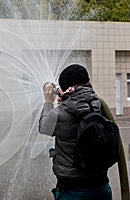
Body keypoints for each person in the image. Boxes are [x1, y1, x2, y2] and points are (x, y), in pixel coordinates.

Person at [39, 64, 113, 200]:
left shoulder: (59, 114)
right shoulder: (99, 105)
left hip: (73, 191)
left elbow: (44, 127)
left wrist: (48, 102)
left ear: (67, 89)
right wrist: (67, 101)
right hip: (102, 188)